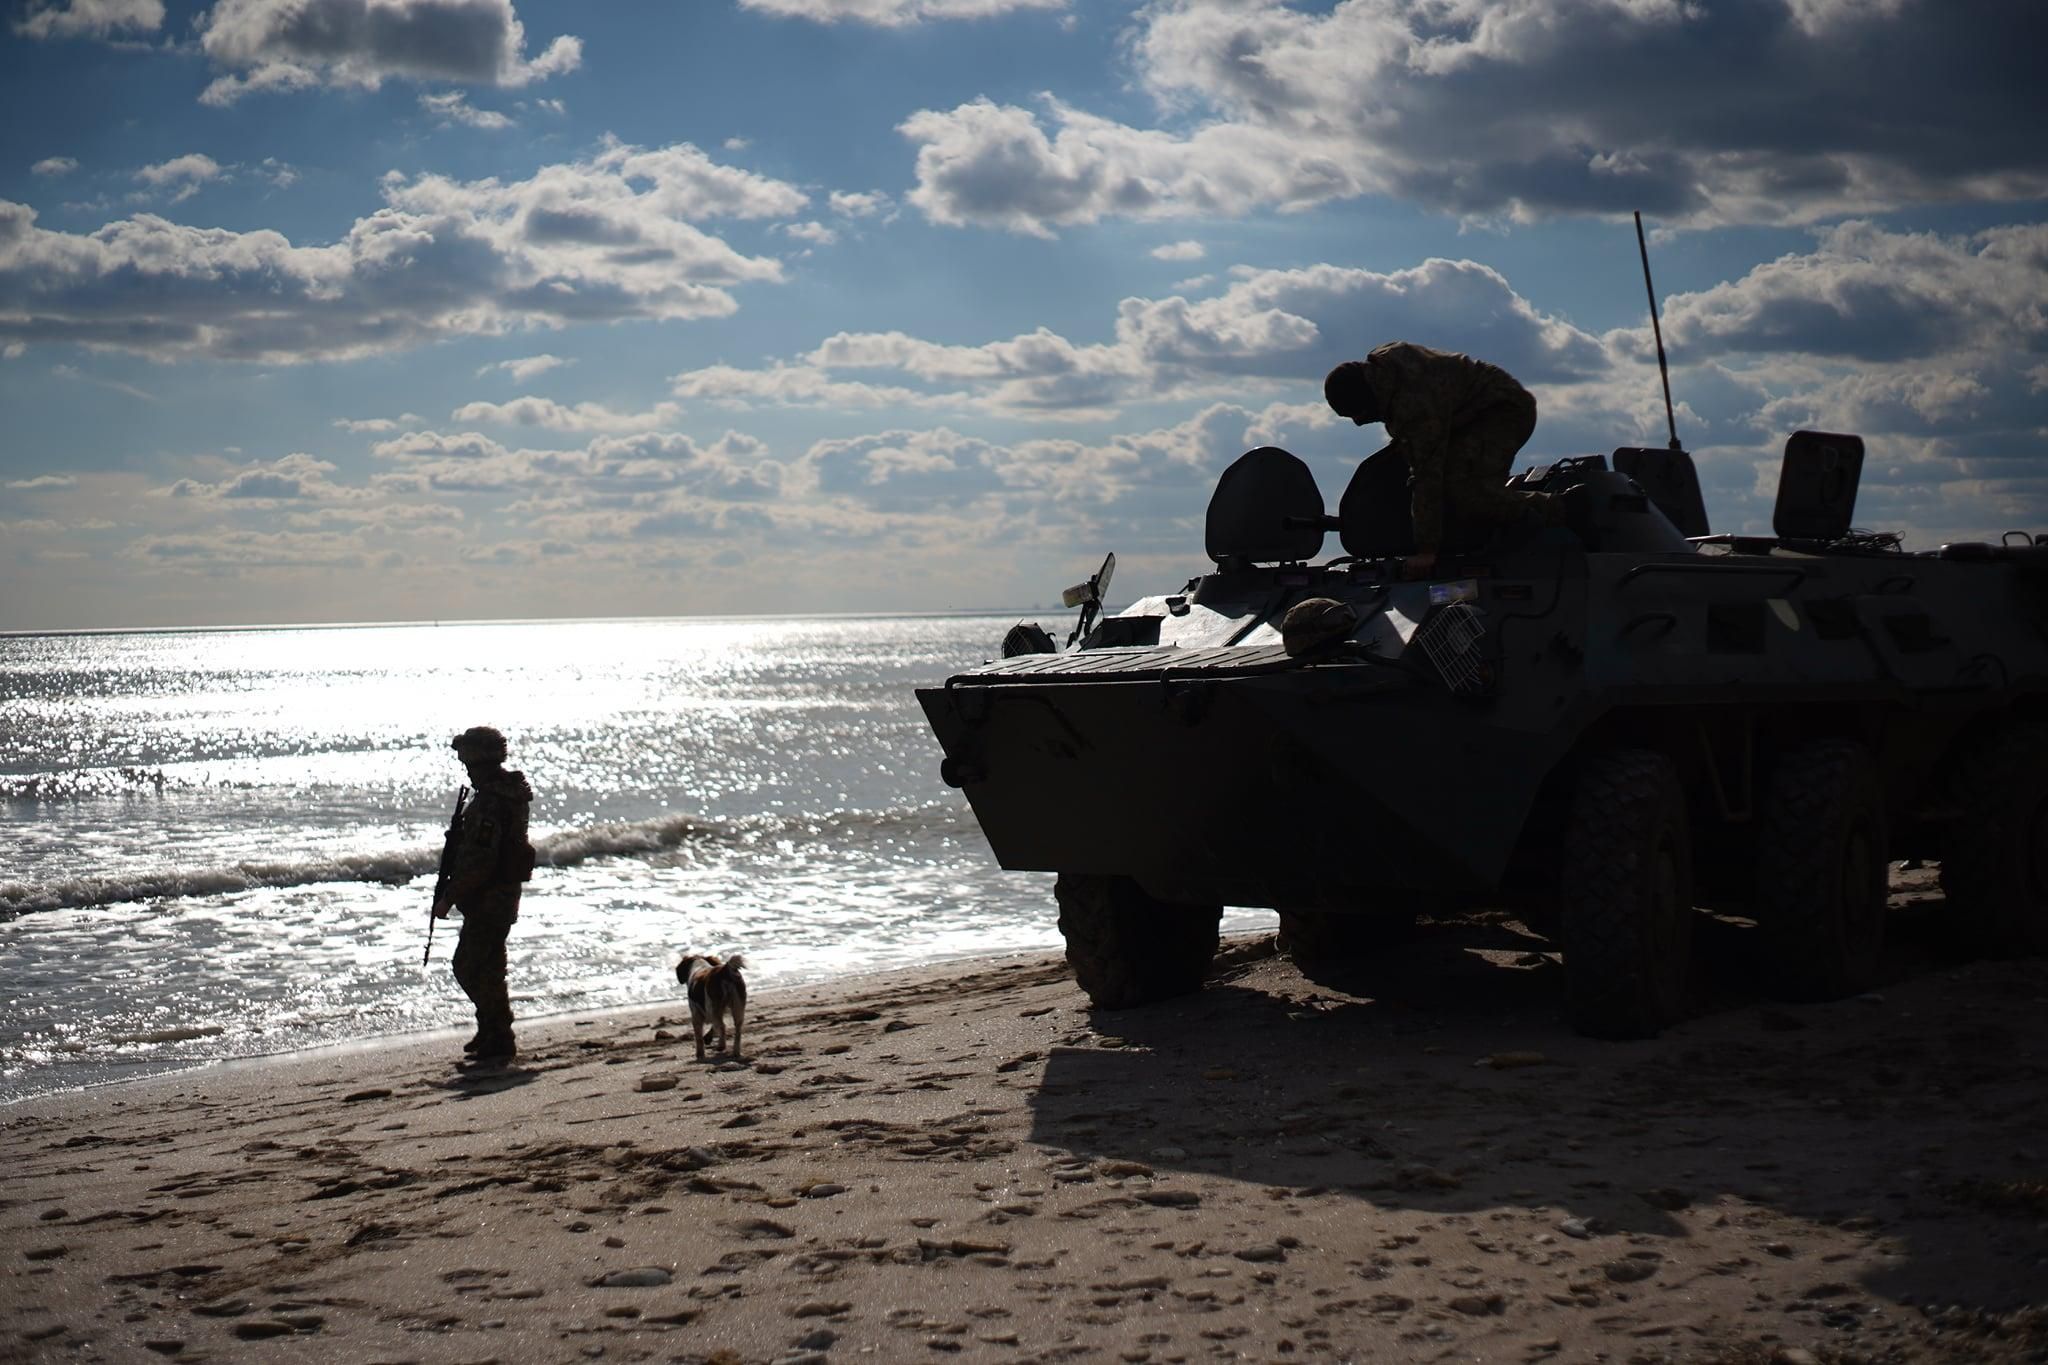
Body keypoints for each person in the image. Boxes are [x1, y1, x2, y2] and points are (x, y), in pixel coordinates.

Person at [1324, 342, 1558, 579]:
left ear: (1366, 399)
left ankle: (1556, 509)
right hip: (1465, 414)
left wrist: (1426, 551)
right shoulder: (1384, 364)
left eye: (1357, 413)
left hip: (1502, 411)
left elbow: (1427, 478)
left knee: (1465, 492)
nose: (1357, 422)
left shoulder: (1414, 407)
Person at [432, 726, 536, 1062]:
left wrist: (449, 896)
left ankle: (499, 1032)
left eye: (468, 761)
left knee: (468, 966)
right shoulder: (504, 794)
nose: (465, 768)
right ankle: (492, 1031)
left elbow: (480, 860)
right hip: (500, 894)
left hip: (491, 897)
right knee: (490, 967)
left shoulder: (490, 803)